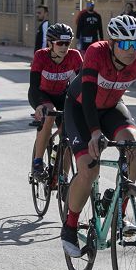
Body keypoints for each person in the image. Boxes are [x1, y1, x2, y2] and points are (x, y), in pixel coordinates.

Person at [59, 14, 136, 257]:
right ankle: (70, 227)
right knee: (89, 169)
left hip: (112, 107)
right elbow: (89, 97)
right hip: (81, 108)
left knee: (132, 145)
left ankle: (120, 216)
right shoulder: (96, 52)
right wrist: (94, 133)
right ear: (112, 43)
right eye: (125, 44)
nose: (131, 50)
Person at [28, 22, 83, 179]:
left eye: (67, 43)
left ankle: (62, 177)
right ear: (50, 43)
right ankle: (38, 162)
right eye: (60, 43)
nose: (64, 47)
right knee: (50, 114)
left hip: (61, 95)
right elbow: (33, 86)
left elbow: (84, 84)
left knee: (69, 134)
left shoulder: (74, 56)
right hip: (41, 95)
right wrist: (39, 105)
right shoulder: (41, 56)